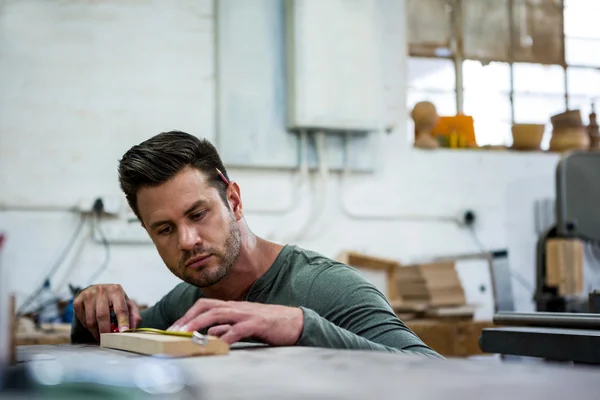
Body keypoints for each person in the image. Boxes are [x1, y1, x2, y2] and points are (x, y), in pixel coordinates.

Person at [71, 131, 441, 358]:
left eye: (198, 214)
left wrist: (300, 326)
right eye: (165, 229)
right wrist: (91, 311)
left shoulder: (326, 287)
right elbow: (110, 344)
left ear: (233, 201)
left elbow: (431, 372)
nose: (187, 241)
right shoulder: (186, 303)